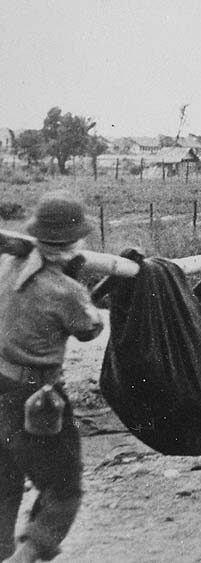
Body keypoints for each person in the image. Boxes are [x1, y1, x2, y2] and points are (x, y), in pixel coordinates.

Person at [0, 191, 104, 562]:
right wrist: (74, 281)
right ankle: (24, 559)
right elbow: (90, 328)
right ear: (74, 241)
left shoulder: (6, 266)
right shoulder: (66, 290)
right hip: (34, 397)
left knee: (5, 485)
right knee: (64, 491)